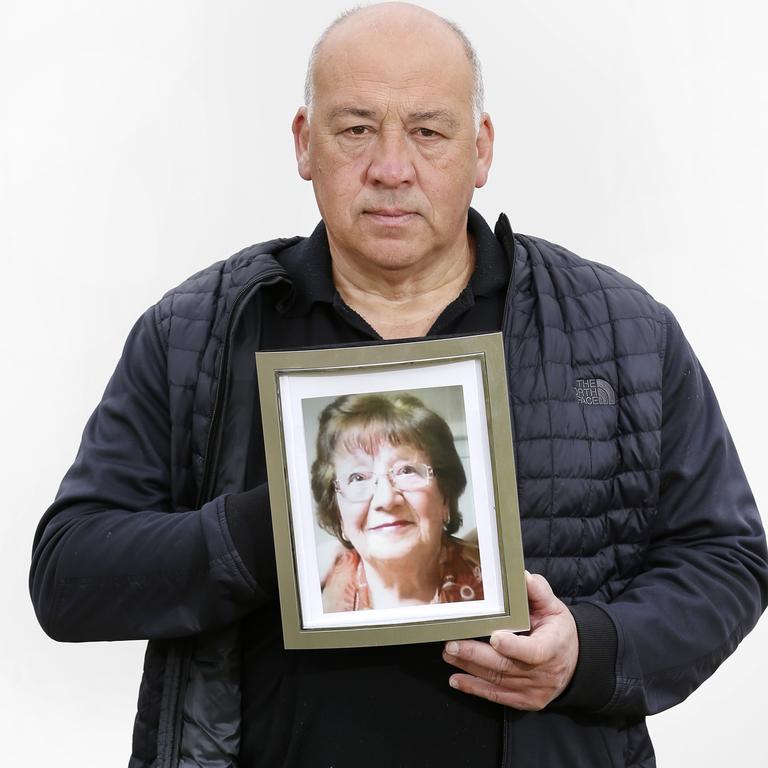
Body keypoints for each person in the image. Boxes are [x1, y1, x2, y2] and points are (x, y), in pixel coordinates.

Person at [29, 3, 767, 767]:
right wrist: (272, 531)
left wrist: (588, 650)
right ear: (303, 144)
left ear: (479, 150)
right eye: (354, 129)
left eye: (427, 130)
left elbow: (725, 557)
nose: (390, 166)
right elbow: (69, 572)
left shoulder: (620, 331)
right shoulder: (198, 333)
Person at [311, 392, 484, 611]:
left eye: (406, 470)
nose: (386, 499)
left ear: (445, 498)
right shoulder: (313, 599)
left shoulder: (494, 577)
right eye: (358, 477)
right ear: (338, 514)